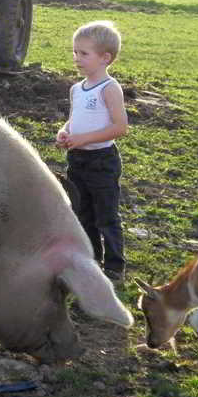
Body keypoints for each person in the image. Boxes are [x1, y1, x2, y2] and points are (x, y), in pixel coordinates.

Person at [56, 20, 129, 283]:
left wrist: (84, 138)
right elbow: (74, 119)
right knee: (82, 211)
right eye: (75, 52)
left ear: (105, 58)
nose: (77, 58)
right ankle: (91, 259)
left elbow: (120, 127)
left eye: (84, 53)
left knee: (106, 215)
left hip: (101, 161)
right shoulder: (77, 89)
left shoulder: (109, 88)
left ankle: (114, 266)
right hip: (78, 159)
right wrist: (64, 132)